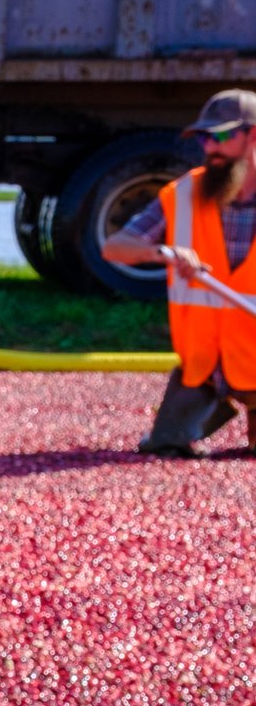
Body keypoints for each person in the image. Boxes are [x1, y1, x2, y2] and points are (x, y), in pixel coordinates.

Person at [103, 89, 256, 456]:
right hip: (202, 363)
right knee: (164, 449)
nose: (211, 148)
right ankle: (191, 421)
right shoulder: (183, 194)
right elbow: (115, 247)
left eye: (222, 136)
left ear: (253, 135)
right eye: (205, 138)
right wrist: (164, 253)